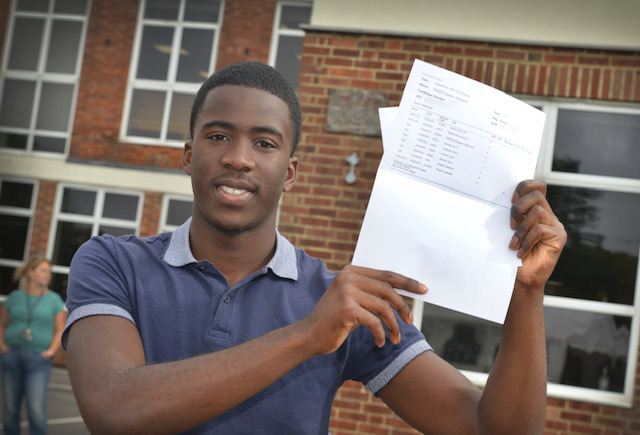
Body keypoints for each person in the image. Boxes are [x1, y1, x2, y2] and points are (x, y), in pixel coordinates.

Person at [62, 61, 567, 434]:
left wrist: (525, 294)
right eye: (219, 136)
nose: (239, 158)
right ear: (189, 157)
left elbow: (490, 430)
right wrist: (307, 336)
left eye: (264, 143)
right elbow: (114, 409)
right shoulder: (112, 262)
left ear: (291, 173)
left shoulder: (340, 299)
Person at [0, 256, 66, 435]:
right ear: (30, 272)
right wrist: (3, 347)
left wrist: (51, 352)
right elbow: (2, 324)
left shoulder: (54, 300)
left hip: (38, 359)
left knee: (36, 411)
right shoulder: (15, 297)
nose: (48, 275)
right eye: (43, 270)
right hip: (10, 356)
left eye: (49, 271)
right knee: (10, 411)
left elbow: (60, 330)